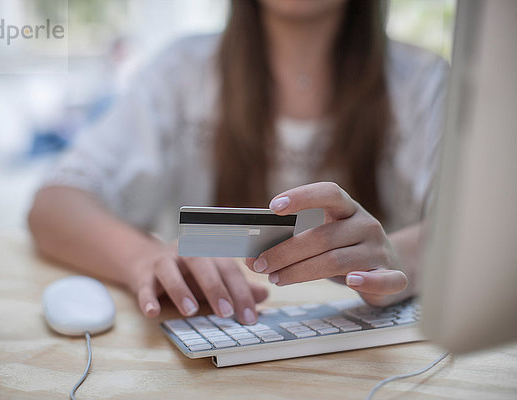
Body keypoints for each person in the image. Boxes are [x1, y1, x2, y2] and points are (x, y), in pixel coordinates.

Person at [28, 0, 447, 325]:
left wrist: (399, 259)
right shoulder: (180, 73)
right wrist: (142, 258)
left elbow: (488, 229)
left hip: (372, 354)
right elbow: (54, 203)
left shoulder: (425, 84)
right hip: (209, 331)